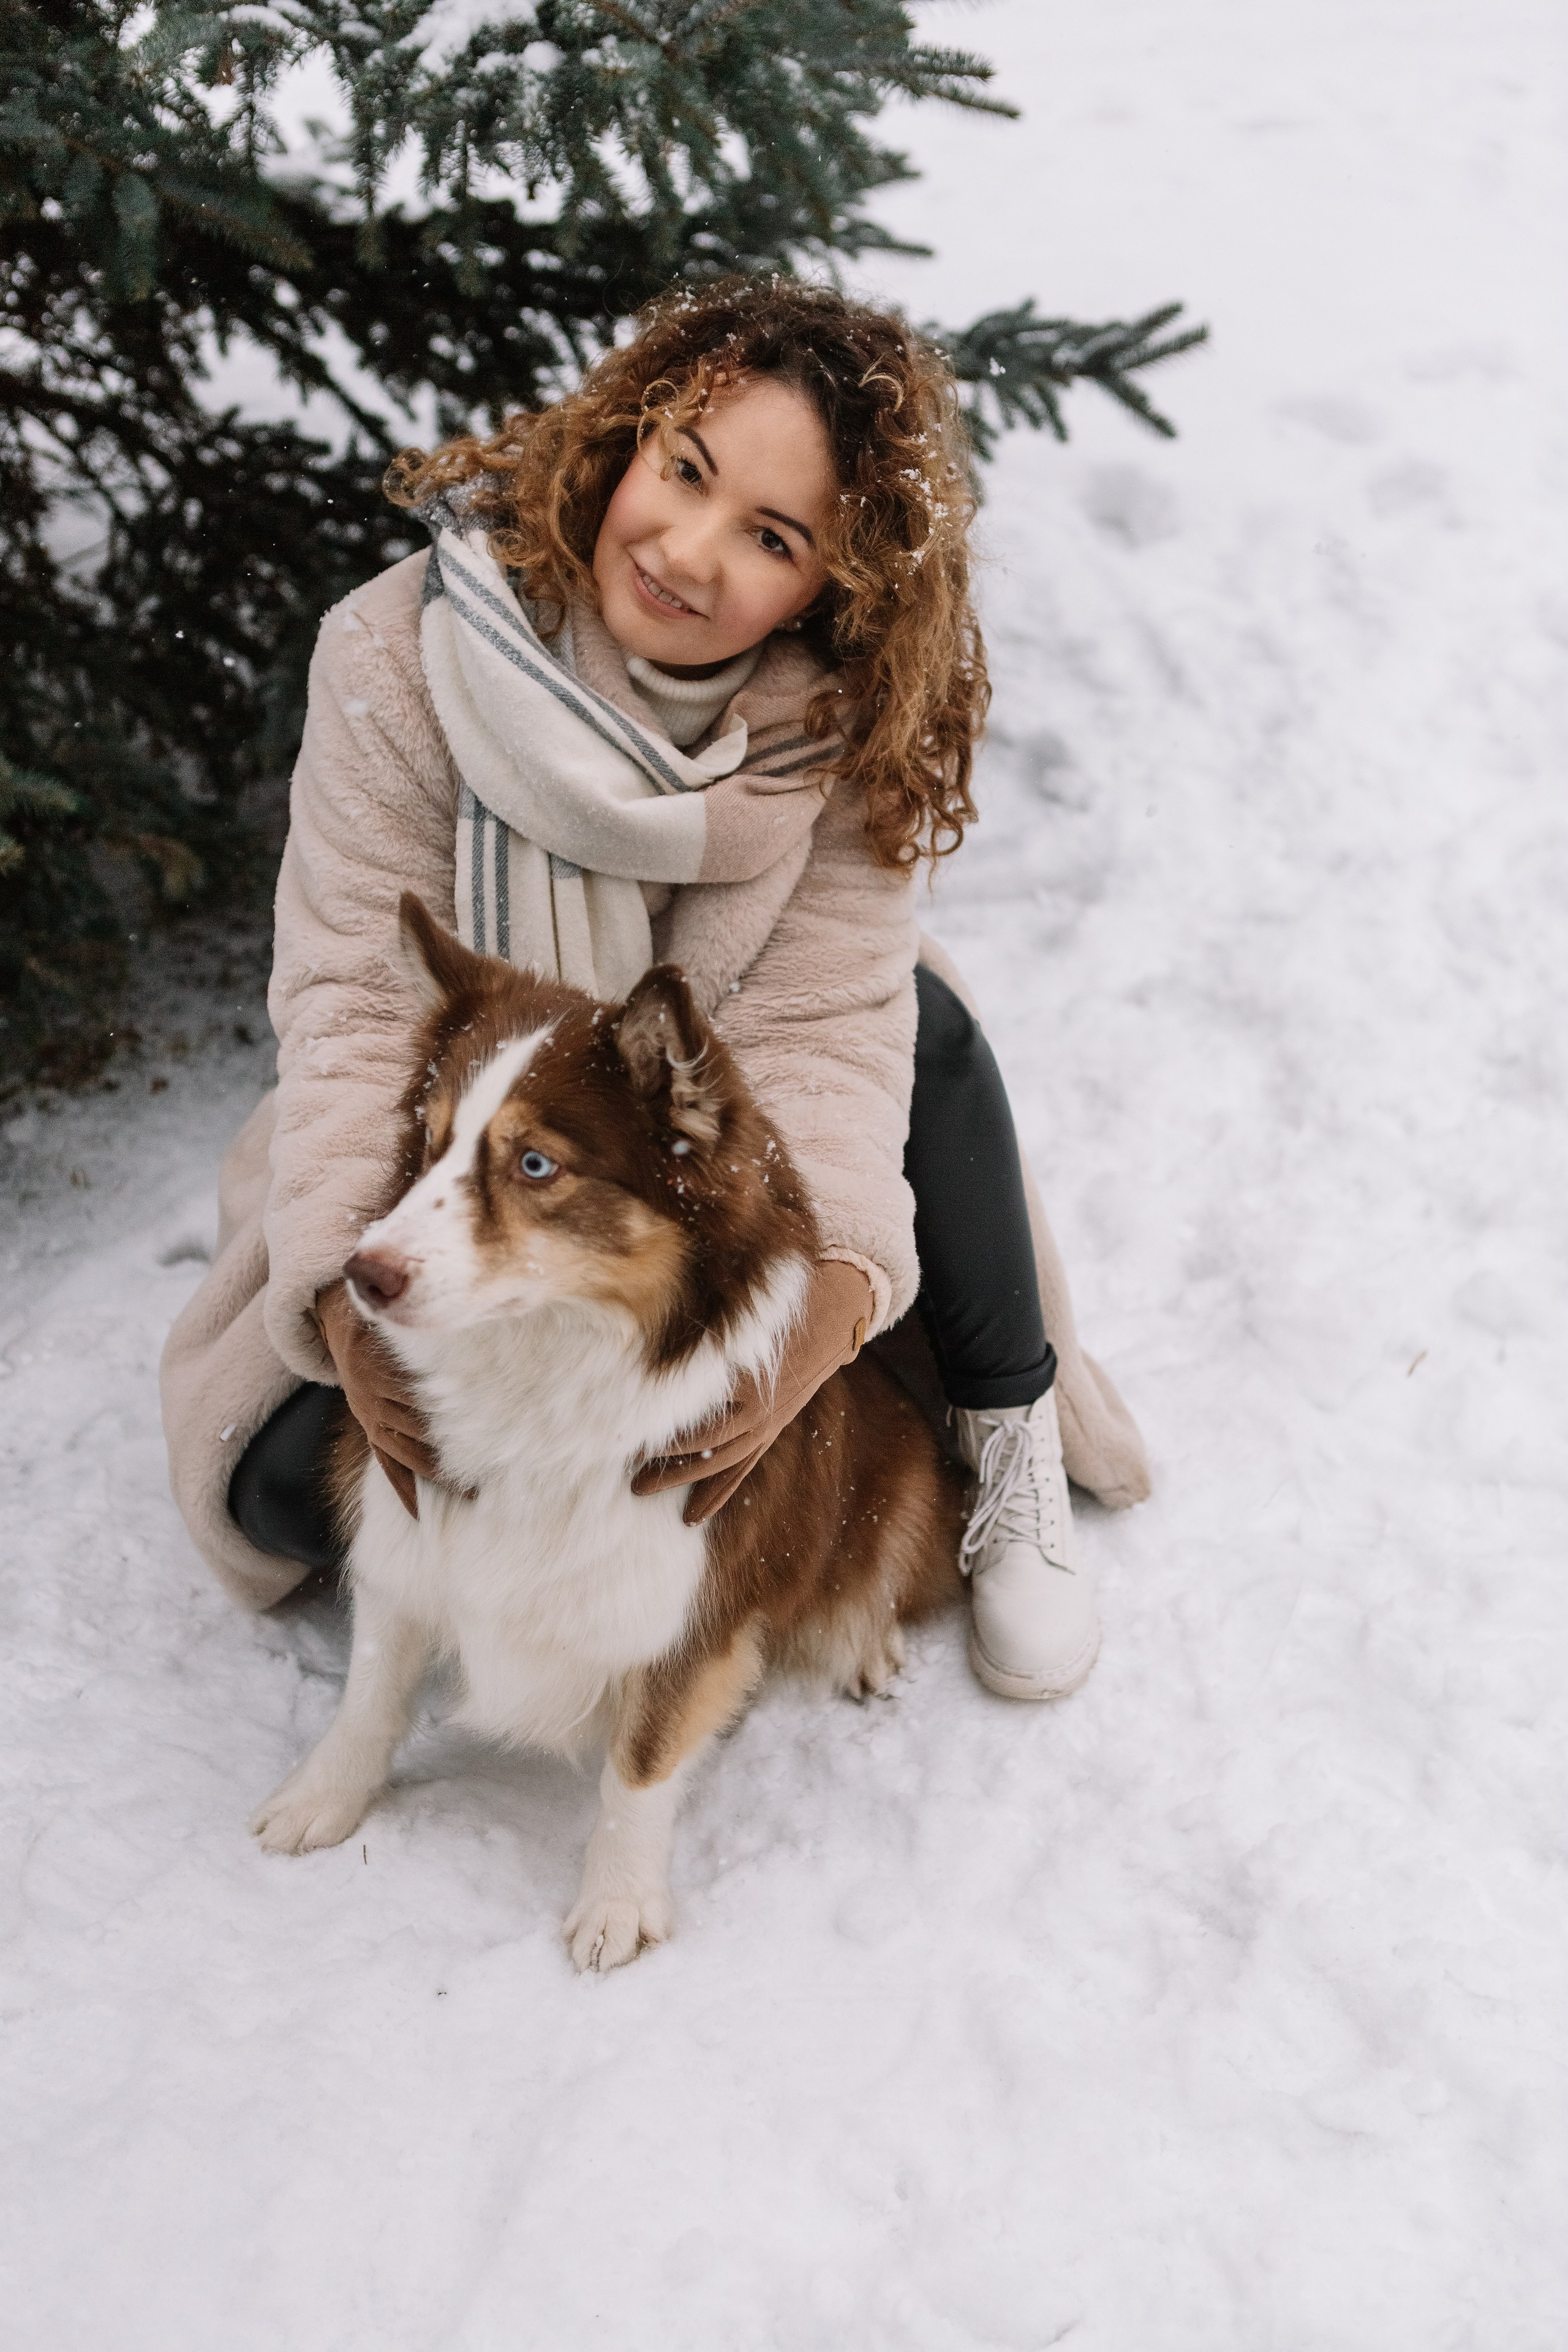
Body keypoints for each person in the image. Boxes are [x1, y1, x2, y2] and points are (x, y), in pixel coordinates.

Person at [160, 277, 1148, 1702]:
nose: (686, 551)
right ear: (627, 434)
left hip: (716, 1162)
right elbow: (358, 1004)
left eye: (769, 536)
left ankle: (1004, 1434)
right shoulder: (399, 652)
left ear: (836, 583)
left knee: (918, 1028)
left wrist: (800, 1341)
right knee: (274, 1490)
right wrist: (337, 1308)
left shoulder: (833, 735)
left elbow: (816, 1041)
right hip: (455, 1138)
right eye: (682, 471)